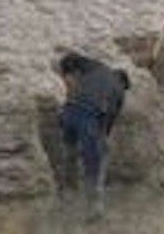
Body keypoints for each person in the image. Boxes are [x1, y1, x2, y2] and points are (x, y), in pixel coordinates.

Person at [55, 50, 131, 215]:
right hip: (88, 118)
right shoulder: (119, 93)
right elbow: (107, 125)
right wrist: (103, 141)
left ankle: (67, 190)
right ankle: (93, 205)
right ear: (123, 84)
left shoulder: (98, 67)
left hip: (68, 110)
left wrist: (67, 77)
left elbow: (69, 58)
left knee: (69, 150)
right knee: (97, 159)